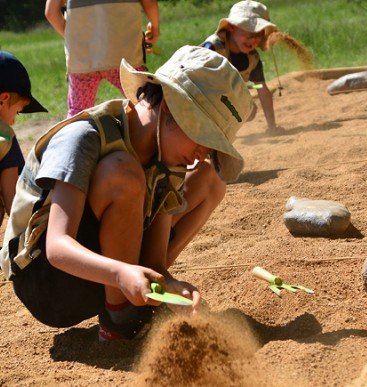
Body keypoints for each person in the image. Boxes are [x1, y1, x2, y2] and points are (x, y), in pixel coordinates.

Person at [0, 46, 253, 341]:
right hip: (47, 282)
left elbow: (155, 261)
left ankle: (134, 301)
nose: (200, 153)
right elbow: (57, 247)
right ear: (173, 107)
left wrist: (169, 286)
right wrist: (121, 275)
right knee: (124, 172)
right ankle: (121, 316)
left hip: (113, 274)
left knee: (210, 178)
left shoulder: (168, 156)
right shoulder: (84, 137)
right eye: (203, 137)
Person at [45, 0, 160, 117]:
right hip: (124, 57)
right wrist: (155, 27)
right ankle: (150, 133)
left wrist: (74, 38)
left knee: (78, 113)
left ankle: (72, 134)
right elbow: (149, 3)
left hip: (82, 59)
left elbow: (51, 13)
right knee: (146, 104)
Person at [201, 0, 284, 136]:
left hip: (223, 101)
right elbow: (198, 85)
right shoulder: (212, 48)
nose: (253, 41)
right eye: (249, 34)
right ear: (232, 27)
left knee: (247, 110)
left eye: (258, 35)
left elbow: (262, 89)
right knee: (242, 108)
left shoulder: (253, 59)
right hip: (200, 100)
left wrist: (272, 127)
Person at [0, 51, 48, 225]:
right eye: (18, 111)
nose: (14, 119)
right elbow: (15, 207)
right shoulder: (5, 137)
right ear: (3, 99)